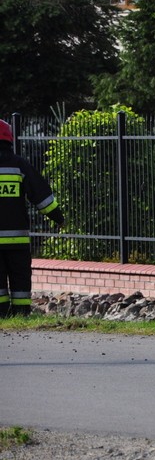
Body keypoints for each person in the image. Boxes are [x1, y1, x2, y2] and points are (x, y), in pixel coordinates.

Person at [0, 119, 64, 317]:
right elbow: (42, 197)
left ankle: (2, 314)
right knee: (20, 279)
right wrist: (58, 218)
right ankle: (21, 313)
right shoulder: (20, 165)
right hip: (18, 240)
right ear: (10, 139)